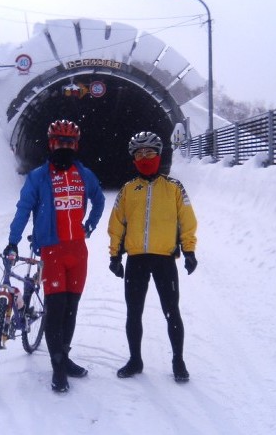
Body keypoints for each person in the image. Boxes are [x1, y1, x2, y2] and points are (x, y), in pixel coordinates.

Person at [4, 119, 105, 393]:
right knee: (56, 310)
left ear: (76, 145)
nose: (64, 147)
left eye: (69, 143)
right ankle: (58, 367)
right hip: (52, 252)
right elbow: (23, 209)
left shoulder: (84, 174)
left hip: (77, 253)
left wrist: (91, 224)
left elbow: (100, 199)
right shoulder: (38, 177)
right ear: (51, 144)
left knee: (71, 311)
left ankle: (65, 356)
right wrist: (12, 242)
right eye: (60, 142)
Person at [107, 131, 197, 382]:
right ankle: (135, 360)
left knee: (172, 311)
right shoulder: (127, 190)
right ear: (133, 158)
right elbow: (117, 224)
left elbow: (186, 221)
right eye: (139, 154)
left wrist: (189, 250)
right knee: (133, 313)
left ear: (159, 155)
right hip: (136, 260)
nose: (144, 157)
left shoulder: (174, 187)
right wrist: (115, 256)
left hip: (164, 260)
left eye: (149, 153)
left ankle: (178, 360)